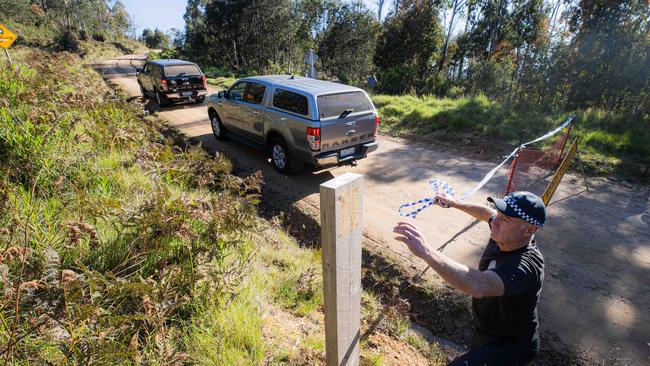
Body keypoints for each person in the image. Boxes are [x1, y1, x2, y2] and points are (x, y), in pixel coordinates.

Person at [393, 191, 547, 366]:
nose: (495, 222)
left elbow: (478, 285)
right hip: (487, 334)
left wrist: (426, 252)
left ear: (530, 230)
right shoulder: (504, 233)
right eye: (499, 213)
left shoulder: (524, 266)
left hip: (511, 347)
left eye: (505, 219)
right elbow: (487, 213)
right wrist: (454, 202)